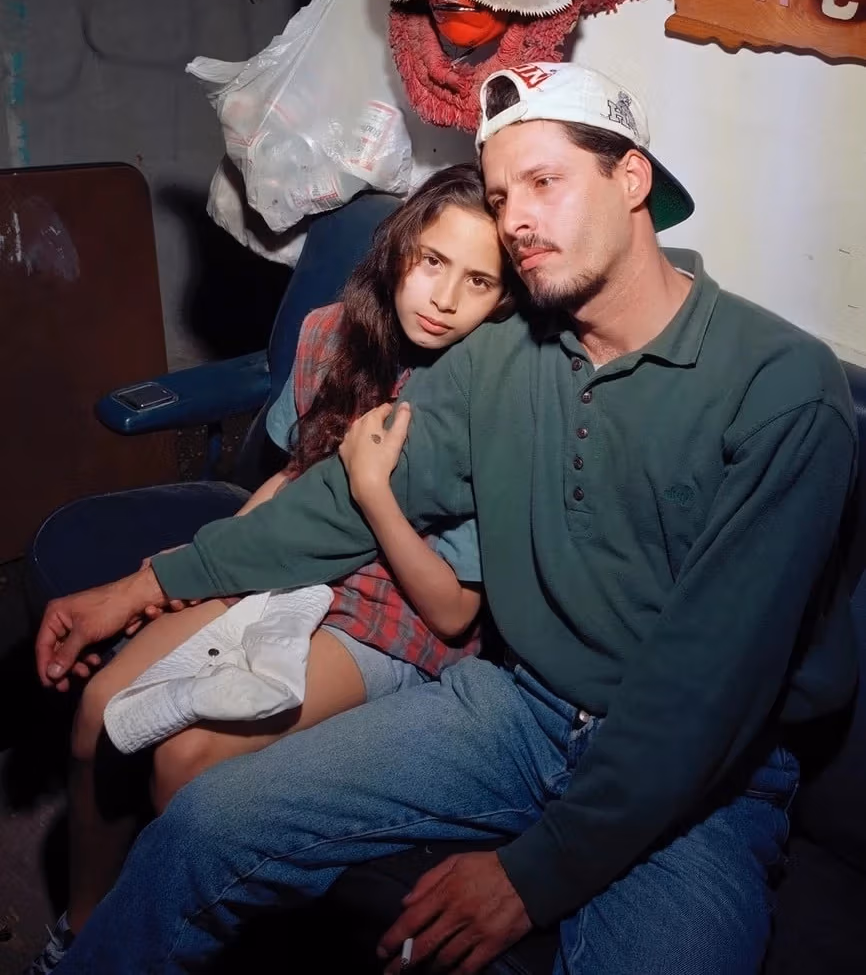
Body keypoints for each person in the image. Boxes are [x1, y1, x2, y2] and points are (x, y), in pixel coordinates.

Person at [39, 63, 857, 975]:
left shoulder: (781, 389)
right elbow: (339, 503)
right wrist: (147, 583)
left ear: (633, 179)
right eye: (504, 194)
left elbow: (709, 691)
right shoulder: (502, 355)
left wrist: (531, 875)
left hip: (712, 775)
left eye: (545, 182)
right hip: (522, 710)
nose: (518, 219)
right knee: (205, 821)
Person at [26, 164, 514, 974]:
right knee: (102, 708)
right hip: (289, 565)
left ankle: (185, 945)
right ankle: (84, 940)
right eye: (432, 261)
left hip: (390, 618)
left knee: (188, 763)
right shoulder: (330, 332)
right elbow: (287, 484)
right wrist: (192, 573)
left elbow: (455, 612)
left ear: (503, 300)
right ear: (399, 252)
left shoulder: (481, 398)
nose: (444, 297)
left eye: (479, 281)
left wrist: (371, 489)